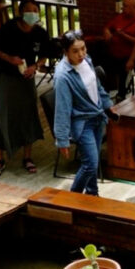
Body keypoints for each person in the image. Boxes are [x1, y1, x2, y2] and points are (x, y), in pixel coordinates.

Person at [0, 3, 56, 175]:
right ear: (21, 13)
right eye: (28, 11)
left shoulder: (39, 32)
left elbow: (45, 54)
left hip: (26, 76)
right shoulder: (9, 28)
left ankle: (27, 157)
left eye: (35, 11)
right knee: (3, 114)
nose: (32, 14)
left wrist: (36, 66)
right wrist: (10, 59)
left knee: (28, 113)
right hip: (5, 75)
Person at [53, 36, 110, 195]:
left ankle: (92, 193)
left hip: (97, 117)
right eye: (75, 51)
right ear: (66, 52)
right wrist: (62, 139)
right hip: (82, 123)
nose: (81, 54)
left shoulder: (86, 61)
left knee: (94, 160)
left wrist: (108, 106)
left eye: (83, 48)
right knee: (91, 164)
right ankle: (74, 197)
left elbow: (97, 87)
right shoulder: (63, 76)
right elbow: (62, 110)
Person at [89, 0, 135, 100]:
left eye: (125, 6)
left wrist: (124, 35)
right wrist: (107, 33)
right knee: (97, 59)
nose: (122, 8)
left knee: (123, 67)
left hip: (130, 56)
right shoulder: (120, 17)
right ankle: (101, 92)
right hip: (114, 52)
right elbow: (107, 27)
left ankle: (121, 94)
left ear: (134, 7)